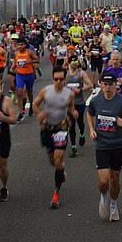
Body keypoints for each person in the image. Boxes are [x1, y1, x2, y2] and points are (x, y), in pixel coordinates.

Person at [87, 71, 122, 222]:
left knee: (114, 179)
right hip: (102, 144)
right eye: (105, 84)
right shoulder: (96, 100)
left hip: (117, 144)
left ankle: (114, 204)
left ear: (116, 85)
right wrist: (91, 129)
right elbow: (89, 114)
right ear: (101, 85)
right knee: (103, 181)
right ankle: (104, 196)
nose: (108, 88)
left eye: (110, 85)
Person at [33, 69, 75, 209]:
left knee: (58, 158)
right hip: (47, 129)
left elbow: (71, 110)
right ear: (52, 79)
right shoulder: (46, 91)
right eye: (56, 79)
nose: (58, 82)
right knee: (53, 161)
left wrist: (70, 117)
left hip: (61, 130)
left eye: (61, 79)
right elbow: (35, 104)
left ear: (64, 80)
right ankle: (61, 170)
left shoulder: (69, 94)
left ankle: (56, 194)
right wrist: (40, 115)